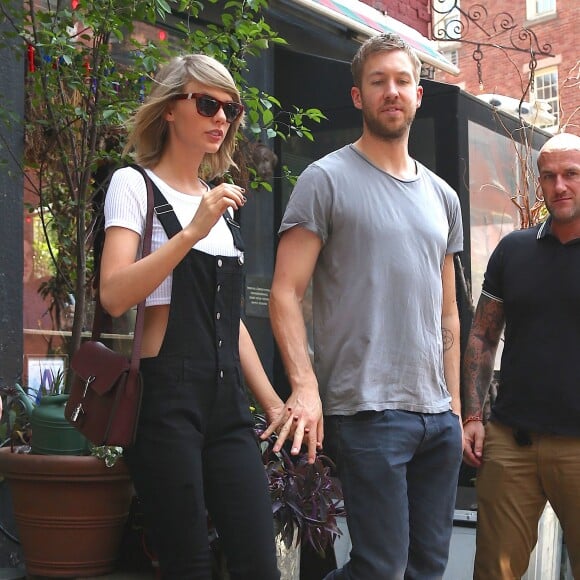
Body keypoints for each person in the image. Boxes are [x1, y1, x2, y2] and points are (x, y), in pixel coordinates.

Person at [266, 33, 464, 579]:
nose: (391, 91)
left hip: (437, 417)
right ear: (358, 96)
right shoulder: (325, 179)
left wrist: (454, 407)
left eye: (402, 81)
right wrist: (305, 387)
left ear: (419, 94)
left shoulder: (444, 197)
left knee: (426, 567)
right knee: (380, 567)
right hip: (367, 410)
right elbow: (284, 292)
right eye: (378, 82)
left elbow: (447, 311)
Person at [99, 54, 283, 580]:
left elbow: (229, 320)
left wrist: (269, 400)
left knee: (257, 562)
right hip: (167, 398)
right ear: (170, 110)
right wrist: (191, 233)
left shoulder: (215, 199)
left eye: (229, 107)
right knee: (188, 565)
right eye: (207, 103)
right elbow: (114, 295)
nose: (221, 118)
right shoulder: (134, 186)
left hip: (227, 404)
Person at [462, 132, 580, 579]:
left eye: (571, 174)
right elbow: (481, 336)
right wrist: (473, 417)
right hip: (513, 443)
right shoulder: (514, 250)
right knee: (494, 571)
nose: (560, 186)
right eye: (549, 176)